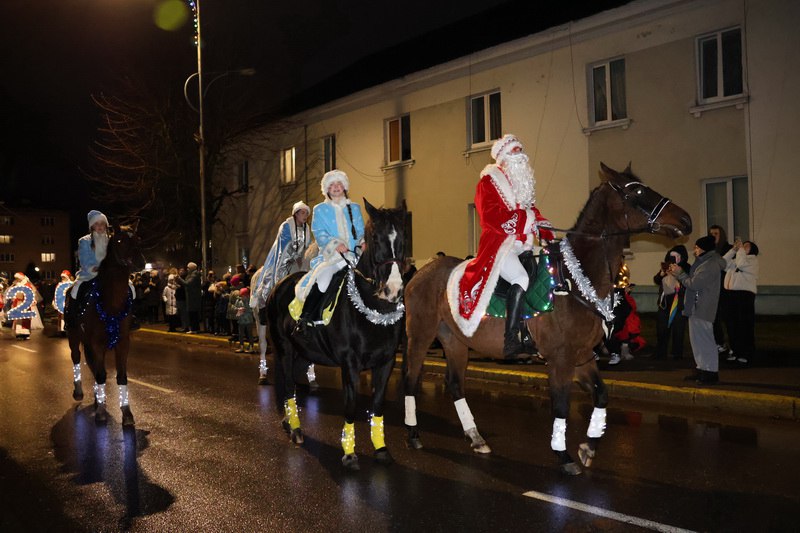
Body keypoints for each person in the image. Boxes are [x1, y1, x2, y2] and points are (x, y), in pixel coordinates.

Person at [454, 134, 562, 360]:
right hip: (499, 246)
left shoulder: (520, 189)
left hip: (523, 246)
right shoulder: (487, 183)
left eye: (520, 150)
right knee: (521, 278)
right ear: (503, 157)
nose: (520, 155)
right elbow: (491, 218)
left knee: (545, 270)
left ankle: (535, 331)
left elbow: (535, 215)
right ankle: (511, 339)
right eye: (515, 151)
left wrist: (549, 234)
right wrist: (527, 218)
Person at [294, 170, 365, 331]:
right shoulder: (320, 209)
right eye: (331, 185)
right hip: (333, 256)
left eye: (339, 184)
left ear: (345, 187)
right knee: (325, 279)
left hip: (356, 255)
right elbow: (319, 232)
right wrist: (335, 245)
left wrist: (363, 241)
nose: (336, 187)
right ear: (326, 189)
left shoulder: (354, 208)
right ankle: (307, 317)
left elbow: (360, 231)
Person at [251, 200, 311, 383]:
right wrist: (291, 258)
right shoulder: (286, 226)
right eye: (301, 213)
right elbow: (281, 248)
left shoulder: (307, 229)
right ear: (295, 214)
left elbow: (307, 247)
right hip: (281, 261)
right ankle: (265, 310)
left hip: (297, 262)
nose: (304, 216)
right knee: (271, 282)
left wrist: (302, 257)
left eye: (306, 214)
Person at [65, 210, 137, 329]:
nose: (100, 227)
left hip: (110, 274)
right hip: (91, 273)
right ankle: (72, 319)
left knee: (131, 288)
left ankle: (131, 317)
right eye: (96, 224)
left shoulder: (112, 240)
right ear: (92, 226)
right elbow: (84, 259)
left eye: (102, 224)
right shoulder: (84, 241)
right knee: (75, 290)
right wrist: (91, 267)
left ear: (106, 225)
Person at [669, 236, 726, 385]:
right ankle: (702, 369)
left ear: (704, 248)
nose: (694, 250)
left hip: (702, 306)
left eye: (696, 247)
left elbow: (694, 284)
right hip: (696, 306)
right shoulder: (704, 262)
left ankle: (710, 372)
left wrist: (680, 274)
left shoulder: (710, 264)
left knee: (705, 340)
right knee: (698, 341)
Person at [722, 239, 759, 364]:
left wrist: (740, 250)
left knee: (745, 324)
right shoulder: (736, 259)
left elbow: (741, 263)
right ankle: (736, 350)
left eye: (746, 246)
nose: (743, 247)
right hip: (731, 294)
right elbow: (723, 263)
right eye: (743, 245)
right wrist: (733, 250)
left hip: (745, 295)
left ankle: (746, 353)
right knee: (732, 324)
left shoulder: (752, 260)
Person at [653, 245, 690, 360]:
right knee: (662, 328)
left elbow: (689, 282)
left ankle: (677, 353)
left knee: (678, 328)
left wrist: (678, 275)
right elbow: (656, 280)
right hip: (665, 301)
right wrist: (662, 274)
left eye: (676, 256)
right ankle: (661, 352)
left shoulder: (687, 268)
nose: (674, 258)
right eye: (672, 256)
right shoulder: (666, 266)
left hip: (679, 301)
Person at [708, 225, 733, 355]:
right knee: (714, 318)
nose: (713, 236)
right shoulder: (709, 250)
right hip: (713, 289)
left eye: (716, 233)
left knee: (729, 318)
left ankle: (733, 345)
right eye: (711, 233)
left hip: (726, 288)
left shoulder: (728, 249)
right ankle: (719, 343)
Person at [177, 262, 202, 333]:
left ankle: (194, 329)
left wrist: (179, 278)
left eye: (188, 268)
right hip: (192, 297)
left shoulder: (194, 275)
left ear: (191, 268)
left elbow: (187, 283)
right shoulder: (192, 275)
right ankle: (195, 328)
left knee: (193, 314)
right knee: (193, 314)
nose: (187, 269)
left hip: (193, 297)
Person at [234, 287, 255, 353]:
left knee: (249, 334)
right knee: (241, 334)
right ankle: (241, 346)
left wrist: (245, 310)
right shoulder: (238, 300)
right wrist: (238, 310)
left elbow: (252, 309)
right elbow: (235, 307)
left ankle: (251, 346)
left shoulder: (250, 300)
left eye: (244, 295)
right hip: (241, 319)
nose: (243, 297)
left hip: (248, 319)